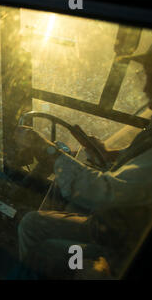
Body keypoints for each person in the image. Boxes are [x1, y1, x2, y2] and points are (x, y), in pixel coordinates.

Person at [15, 45, 152, 279]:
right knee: (31, 224)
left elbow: (106, 191)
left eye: (150, 76)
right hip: (106, 226)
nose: (145, 86)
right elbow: (136, 160)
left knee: (42, 252)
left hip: (118, 249)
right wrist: (108, 153)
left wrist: (48, 149)